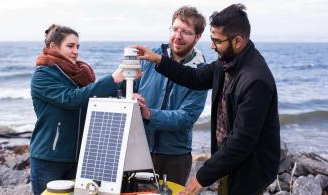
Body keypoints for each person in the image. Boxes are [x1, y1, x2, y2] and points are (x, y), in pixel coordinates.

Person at [133, 4, 280, 195]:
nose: (212, 46)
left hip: (249, 170)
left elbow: (241, 142)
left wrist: (202, 177)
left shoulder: (256, 80)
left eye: (217, 41)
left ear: (237, 41)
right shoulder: (226, 63)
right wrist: (158, 60)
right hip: (227, 162)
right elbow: (195, 78)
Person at [30, 24, 125, 195]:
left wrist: (123, 92)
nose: (76, 51)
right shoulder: (43, 75)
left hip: (82, 157)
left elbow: (93, 99)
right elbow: (72, 98)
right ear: (53, 47)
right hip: (49, 158)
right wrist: (112, 80)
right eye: (70, 46)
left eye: (78, 46)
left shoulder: (79, 73)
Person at [131, 6, 208, 185]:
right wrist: (130, 94)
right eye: (175, 29)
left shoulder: (202, 72)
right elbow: (127, 87)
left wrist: (149, 114)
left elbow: (187, 117)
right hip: (139, 149)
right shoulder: (151, 57)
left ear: (197, 37)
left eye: (186, 32)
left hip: (175, 157)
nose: (178, 36)